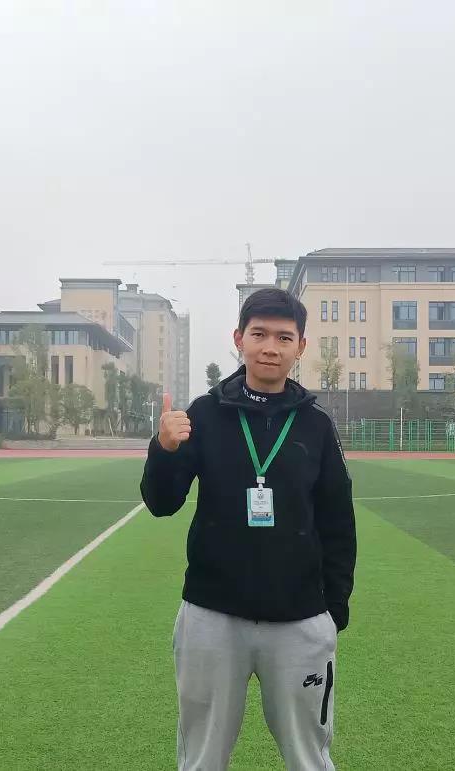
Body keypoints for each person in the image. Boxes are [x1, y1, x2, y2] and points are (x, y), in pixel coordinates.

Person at [140, 287, 357, 771]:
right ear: (239, 339)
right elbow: (161, 503)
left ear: (301, 347)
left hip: (300, 620)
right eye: (259, 334)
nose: (270, 347)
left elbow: (338, 522)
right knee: (202, 757)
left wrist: (332, 611)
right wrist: (164, 450)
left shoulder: (316, 425)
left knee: (309, 757)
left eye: (284, 337)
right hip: (212, 616)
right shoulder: (203, 414)